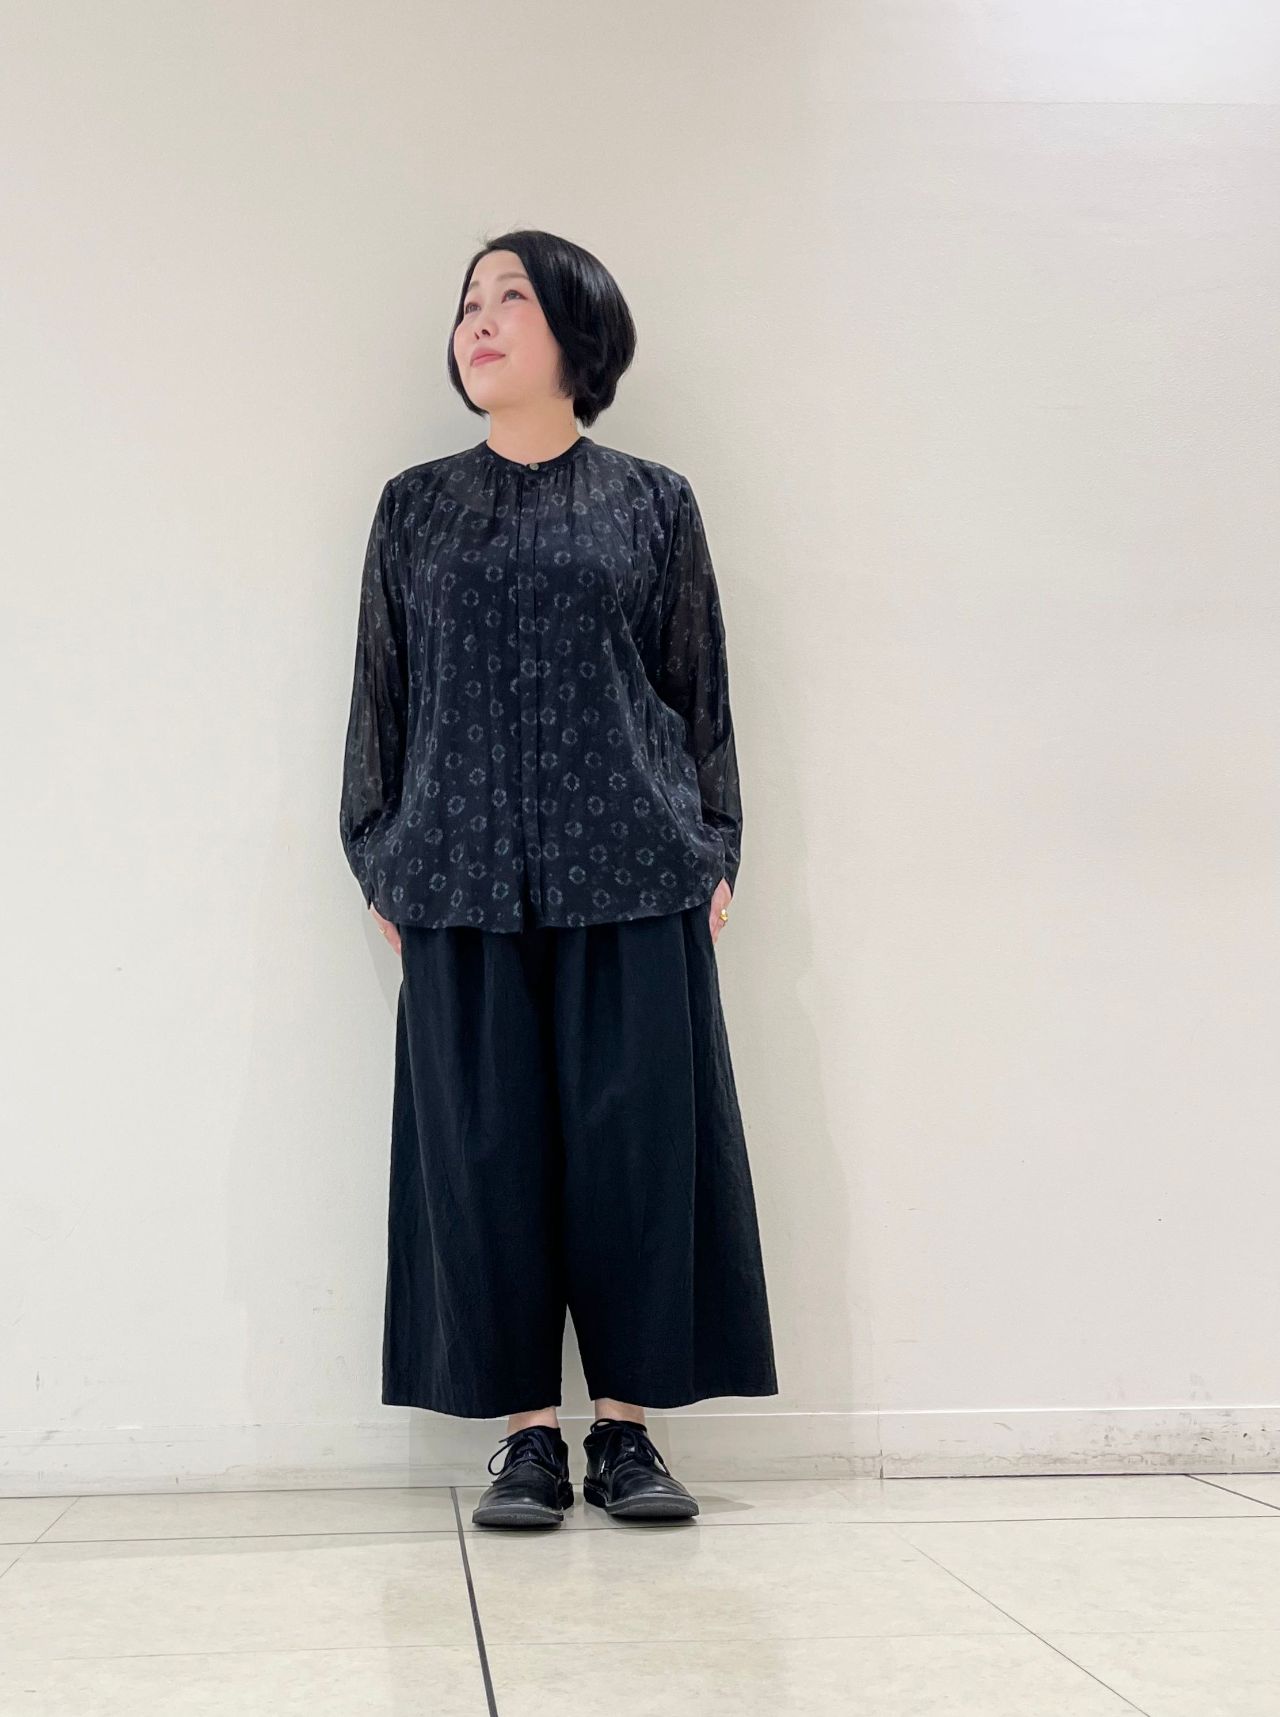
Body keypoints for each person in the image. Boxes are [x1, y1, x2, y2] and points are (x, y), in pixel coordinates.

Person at [339, 228, 778, 1529]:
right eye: (468, 302)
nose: (479, 320)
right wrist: (377, 848)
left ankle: (626, 1436)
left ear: (578, 330)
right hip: (458, 876)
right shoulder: (414, 507)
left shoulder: (653, 501)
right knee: (484, 1160)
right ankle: (526, 1436)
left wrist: (716, 840)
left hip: (634, 870)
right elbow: (380, 692)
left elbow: (697, 685)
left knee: (635, 1159)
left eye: (511, 297)